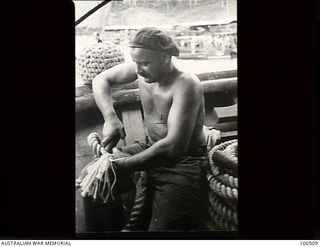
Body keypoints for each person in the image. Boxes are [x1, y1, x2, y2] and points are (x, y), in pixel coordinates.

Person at [92, 27, 208, 231]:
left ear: (164, 57)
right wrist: (111, 118)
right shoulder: (141, 70)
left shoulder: (186, 84)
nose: (137, 70)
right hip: (149, 147)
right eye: (136, 62)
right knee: (93, 178)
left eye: (144, 63)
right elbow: (100, 79)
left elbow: (174, 147)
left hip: (183, 162)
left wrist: (125, 165)